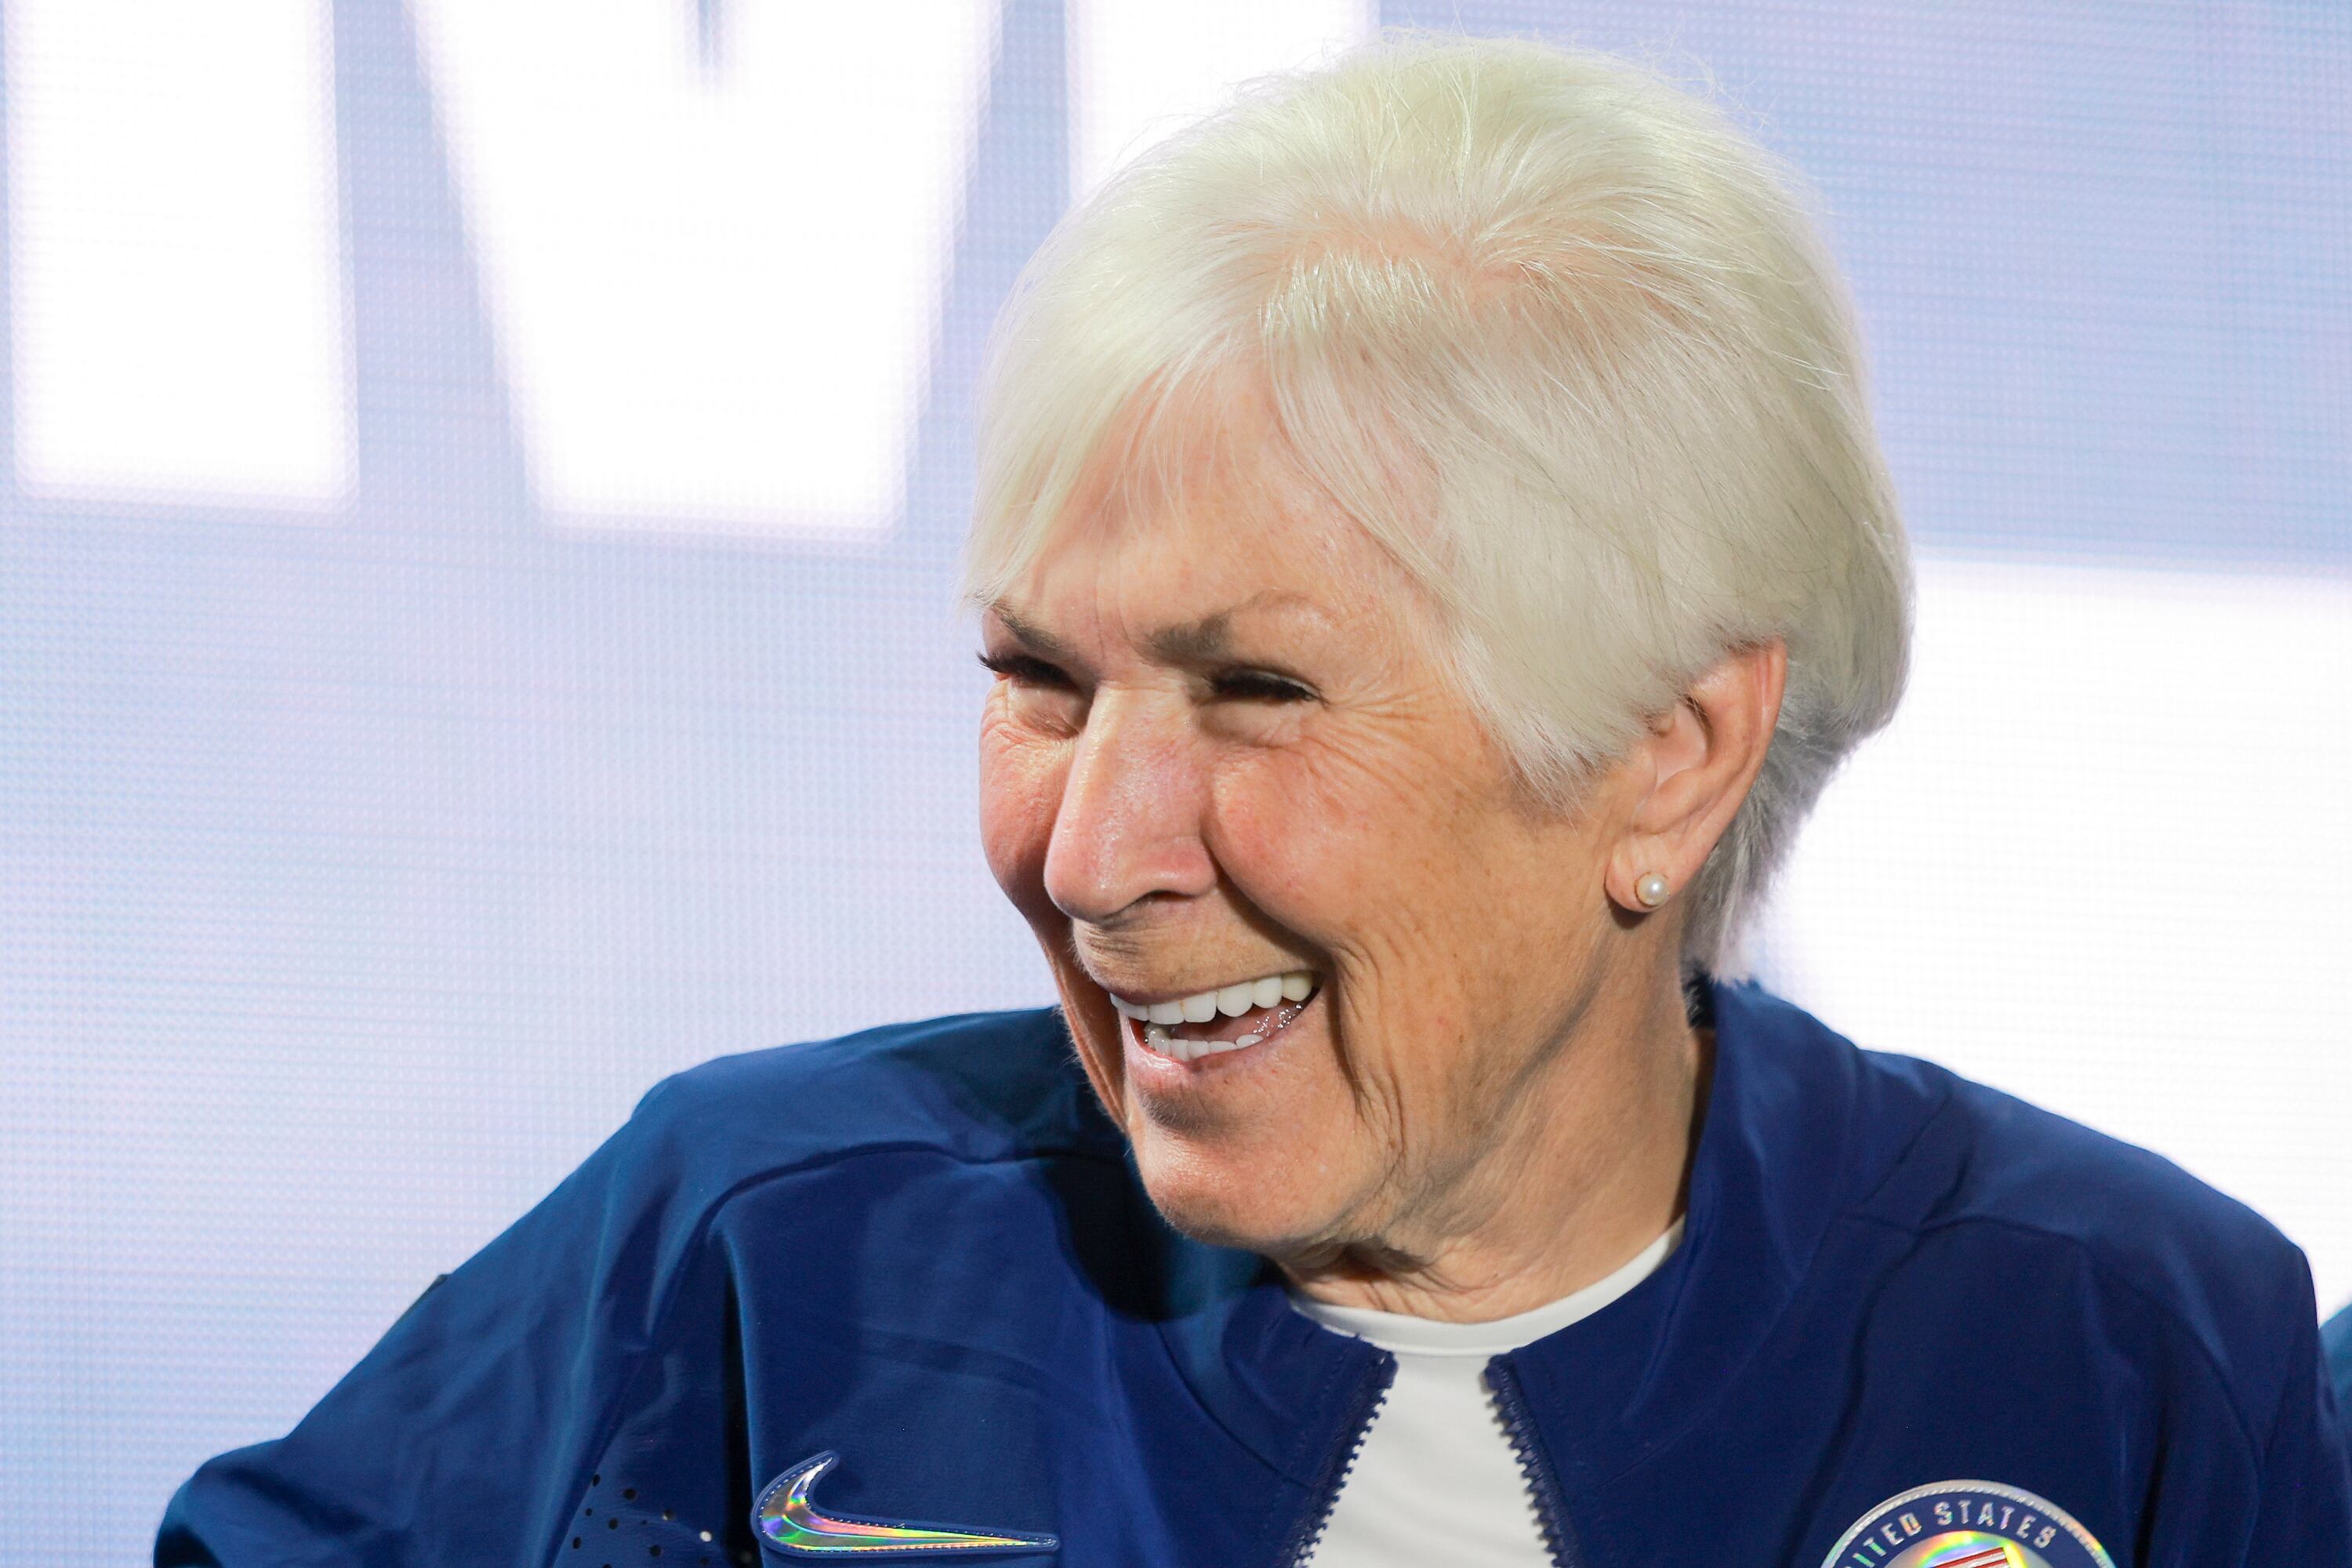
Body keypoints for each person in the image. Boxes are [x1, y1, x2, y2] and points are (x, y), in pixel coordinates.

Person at [157, 35, 2350, 1568]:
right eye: (1038, 680)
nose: (1094, 857)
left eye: (1260, 692)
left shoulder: (2120, 1348)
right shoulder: (753, 1258)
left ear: (1668, 751)